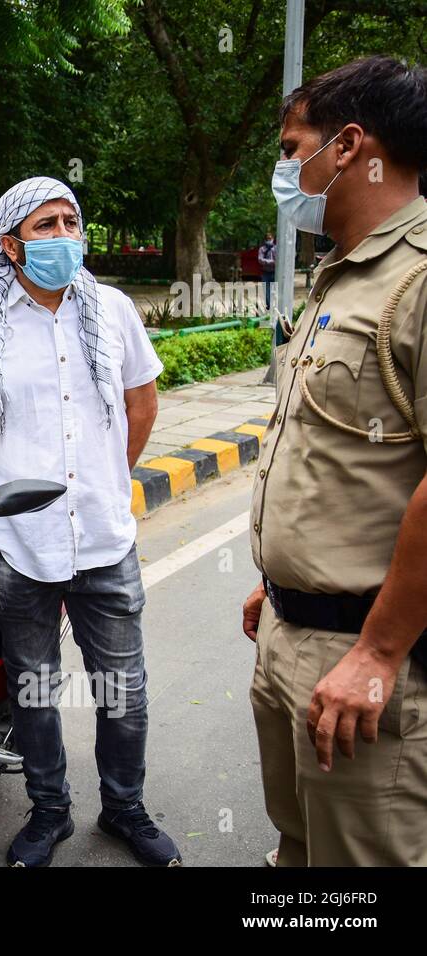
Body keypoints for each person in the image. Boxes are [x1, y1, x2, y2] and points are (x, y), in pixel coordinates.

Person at [0, 177, 179, 868]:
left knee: (123, 690)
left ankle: (125, 808)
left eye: (71, 222)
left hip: (101, 537)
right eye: (46, 226)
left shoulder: (112, 309)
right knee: (34, 688)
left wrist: (107, 482)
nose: (65, 237)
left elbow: (142, 403)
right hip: (17, 544)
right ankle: (50, 811)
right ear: (11, 244)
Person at [243, 54, 427, 866]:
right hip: (290, 634)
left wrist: (380, 652)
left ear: (349, 146)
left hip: (364, 657)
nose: (286, 170)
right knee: (300, 849)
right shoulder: (339, 277)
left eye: (293, 148)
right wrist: (281, 574)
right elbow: (336, 455)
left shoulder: (416, 283)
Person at [258, 231, 277, 313]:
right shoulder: (262, 249)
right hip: (265, 272)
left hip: (274, 272)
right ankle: (269, 307)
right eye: (267, 239)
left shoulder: (276, 248)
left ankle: (275, 306)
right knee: (267, 290)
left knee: (275, 290)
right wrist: (271, 262)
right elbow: (260, 260)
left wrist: (273, 262)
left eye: (270, 238)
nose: (269, 240)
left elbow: (278, 259)